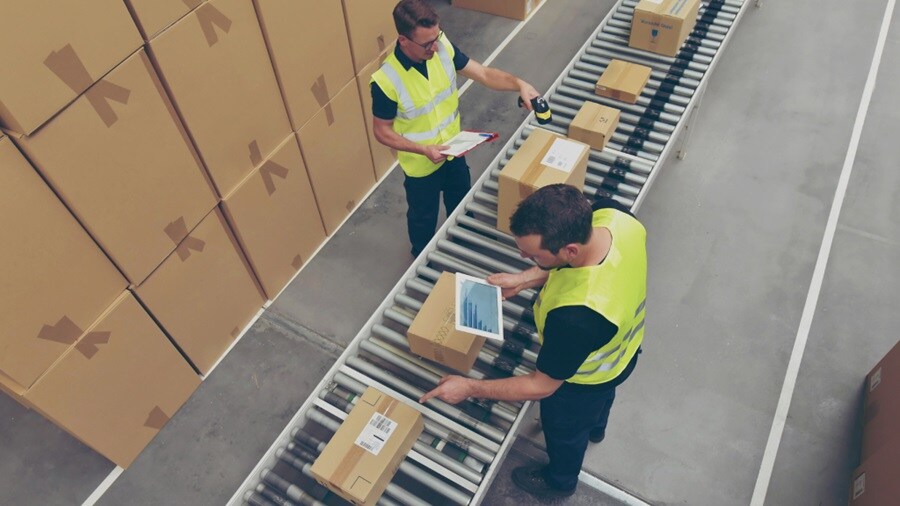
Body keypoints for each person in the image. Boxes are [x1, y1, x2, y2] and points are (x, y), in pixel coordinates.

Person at [419, 184, 648, 500]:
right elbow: (577, 264)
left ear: (568, 250)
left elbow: (542, 386)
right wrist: (524, 278)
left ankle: (560, 480)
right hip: (622, 353)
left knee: (566, 432)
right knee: (600, 403)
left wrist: (469, 387)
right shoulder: (614, 216)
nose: (524, 257)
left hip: (583, 379)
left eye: (534, 255)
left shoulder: (577, 316)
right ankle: (596, 427)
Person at [371, 0, 542, 257]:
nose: (435, 46)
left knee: (461, 201)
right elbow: (381, 131)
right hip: (422, 165)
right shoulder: (386, 80)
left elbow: (483, 74)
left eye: (437, 36)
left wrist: (519, 84)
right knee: (422, 219)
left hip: (455, 150)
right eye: (427, 43)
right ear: (404, 40)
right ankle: (423, 260)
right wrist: (422, 149)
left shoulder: (441, 48)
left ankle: (463, 241)